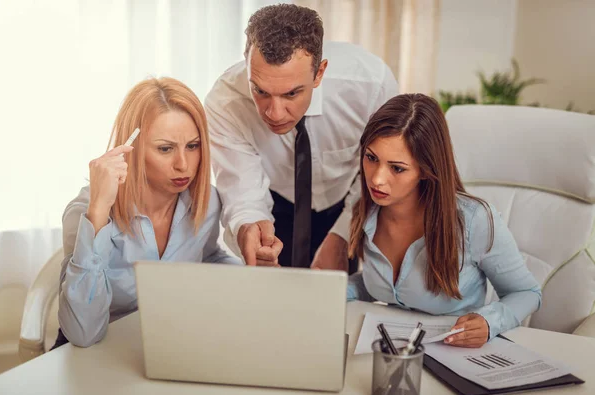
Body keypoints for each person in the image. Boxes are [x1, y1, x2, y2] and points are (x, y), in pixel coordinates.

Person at [205, 4, 398, 272]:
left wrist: (342, 236)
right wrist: (248, 226)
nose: (274, 113)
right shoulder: (226, 101)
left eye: (291, 94)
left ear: (319, 73)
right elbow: (242, 189)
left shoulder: (370, 84)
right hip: (276, 202)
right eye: (260, 91)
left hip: (350, 199)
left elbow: (382, 172)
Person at [56, 77, 240, 348]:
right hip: (98, 352)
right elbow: (84, 333)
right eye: (165, 149)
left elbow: (208, 257)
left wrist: (255, 275)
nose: (183, 165)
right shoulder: (85, 212)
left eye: (193, 146)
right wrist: (97, 213)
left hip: (165, 344)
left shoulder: (206, 200)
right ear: (132, 149)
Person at [347, 94, 542, 348]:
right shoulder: (366, 211)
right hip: (389, 350)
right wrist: (333, 291)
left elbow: (527, 294)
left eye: (397, 168)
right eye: (371, 158)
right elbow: (379, 284)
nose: (376, 180)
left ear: (426, 170)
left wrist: (489, 322)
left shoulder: (475, 220)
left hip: (454, 354)